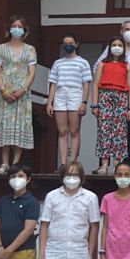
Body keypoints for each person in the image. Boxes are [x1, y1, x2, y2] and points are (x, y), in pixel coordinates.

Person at [95, 20, 130, 165]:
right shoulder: (112, 48)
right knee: (105, 130)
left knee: (128, 132)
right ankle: (104, 164)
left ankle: (126, 165)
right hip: (108, 98)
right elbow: (97, 67)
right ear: (121, 31)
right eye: (127, 29)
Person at [0, 15, 37, 174]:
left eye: (20, 26)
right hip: (5, 90)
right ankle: (4, 163)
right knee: (5, 124)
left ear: (24, 30)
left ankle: (16, 162)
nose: (17, 29)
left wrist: (22, 90)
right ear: (9, 28)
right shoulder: (1, 48)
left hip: (22, 92)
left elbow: (32, 73)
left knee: (20, 124)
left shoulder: (30, 49)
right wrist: (3, 90)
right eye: (14, 26)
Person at [47, 33, 92, 169]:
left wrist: (84, 102)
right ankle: (62, 163)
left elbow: (86, 84)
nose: (68, 45)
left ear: (76, 44)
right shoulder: (58, 63)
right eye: (65, 43)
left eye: (71, 43)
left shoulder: (82, 62)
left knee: (74, 130)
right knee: (62, 131)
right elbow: (53, 83)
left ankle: (72, 162)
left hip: (75, 94)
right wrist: (50, 102)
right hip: (60, 95)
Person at [92, 37, 130, 175]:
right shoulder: (102, 64)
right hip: (105, 98)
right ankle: (104, 165)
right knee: (104, 130)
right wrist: (95, 105)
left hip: (121, 98)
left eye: (120, 45)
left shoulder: (127, 66)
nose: (117, 47)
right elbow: (95, 85)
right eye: (114, 45)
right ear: (110, 47)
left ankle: (116, 165)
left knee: (120, 132)